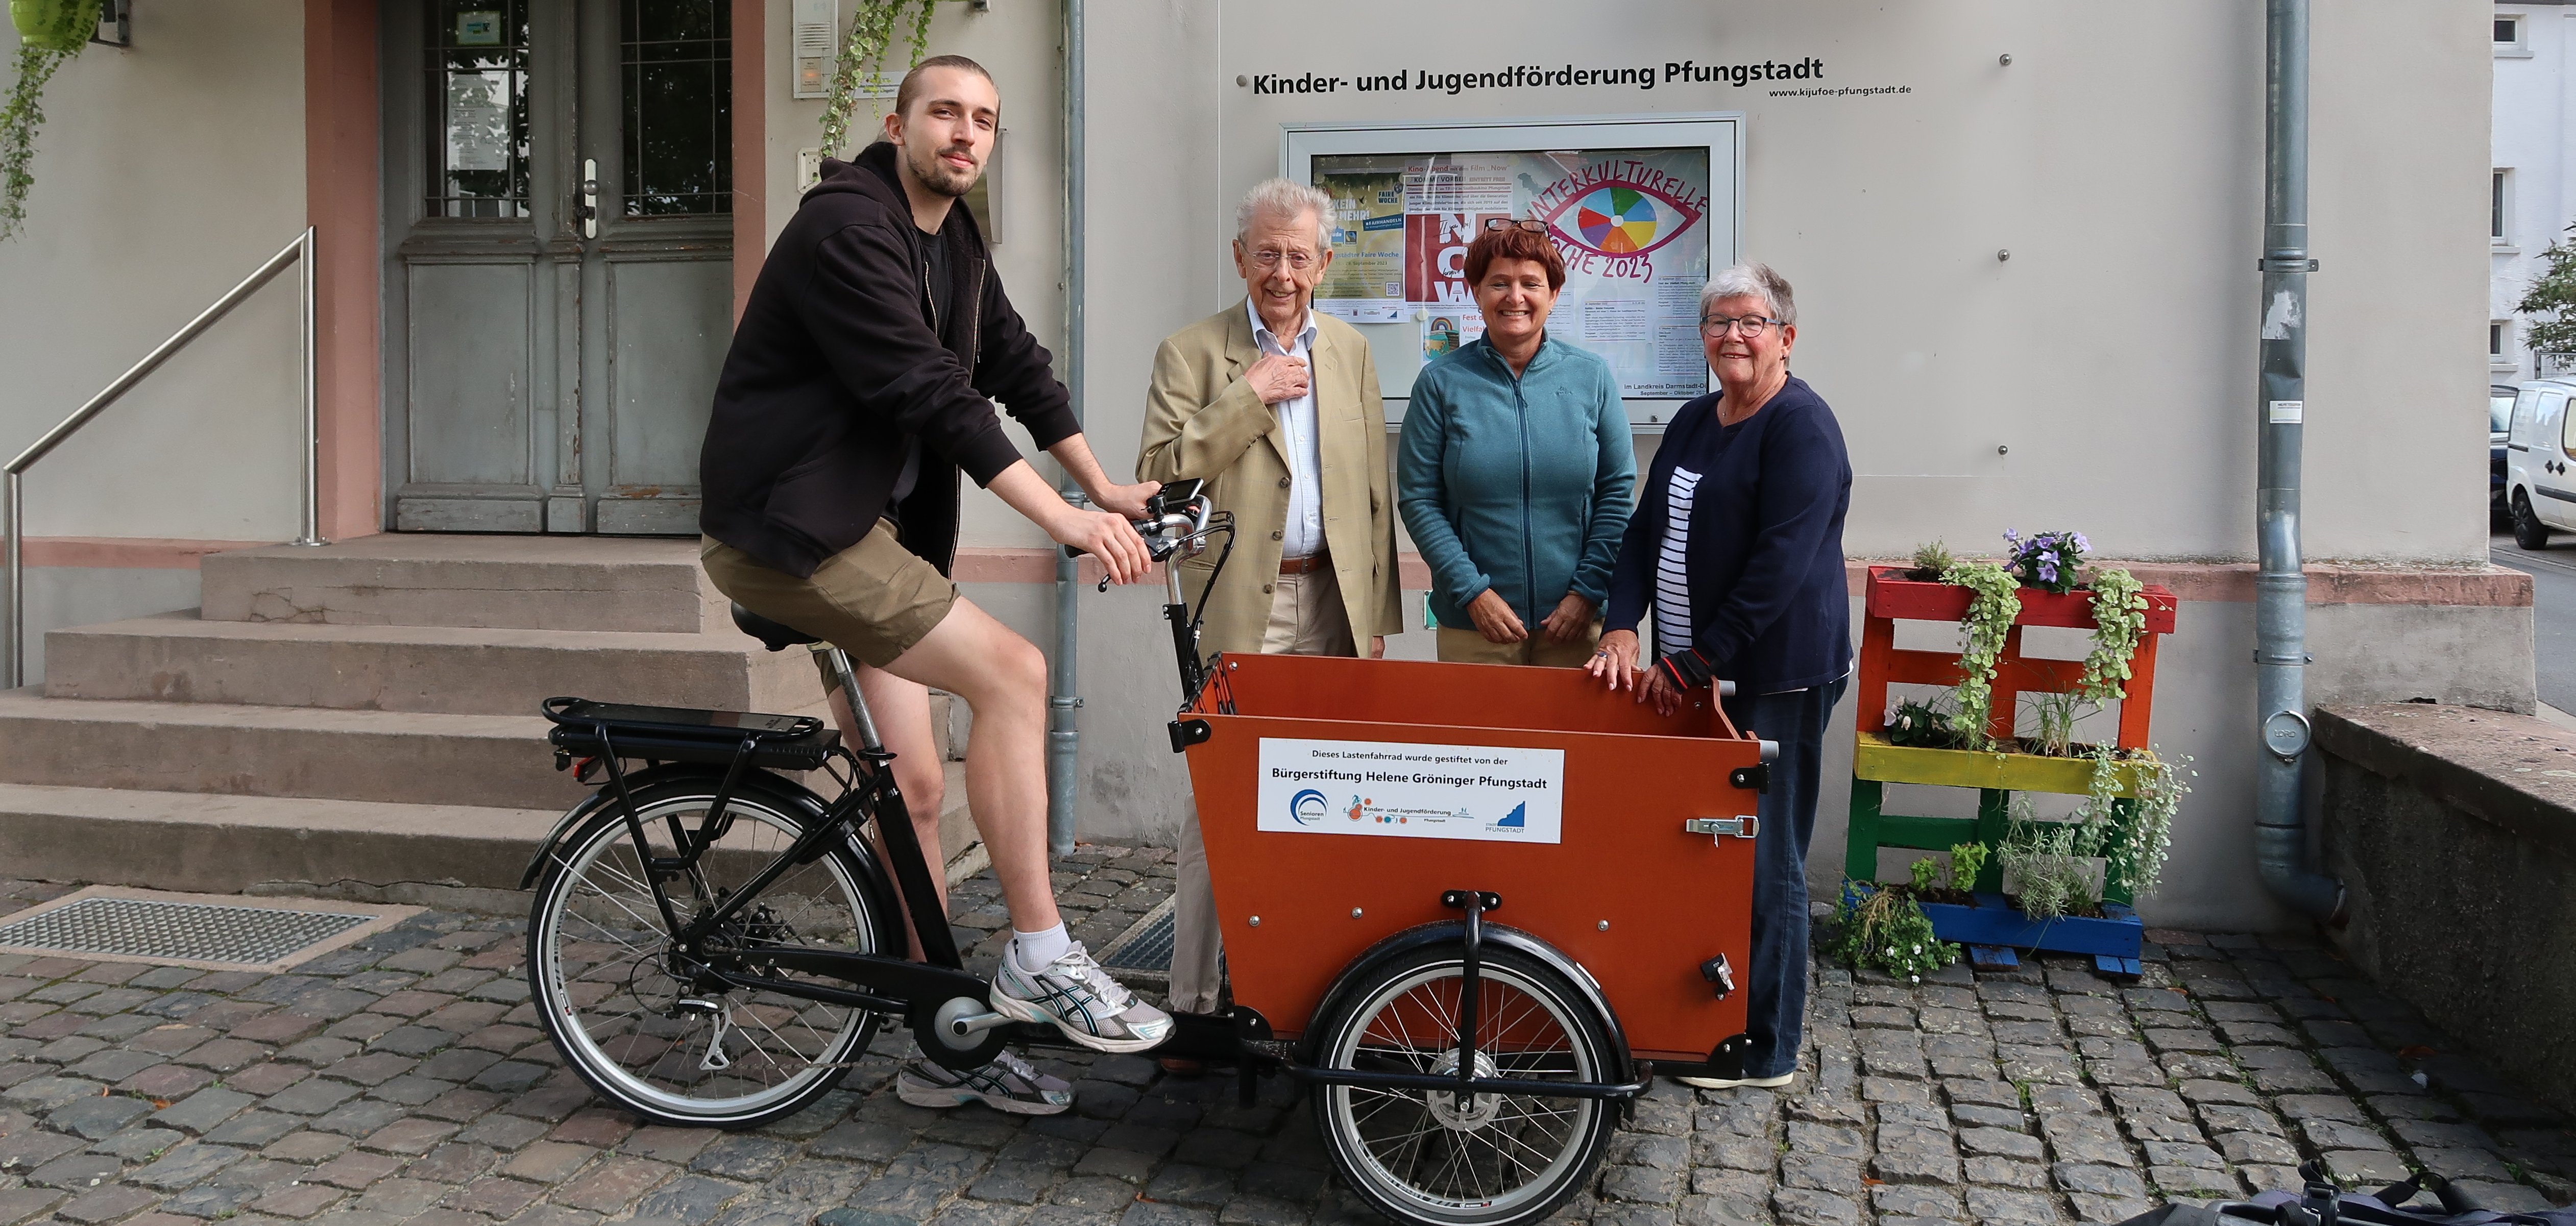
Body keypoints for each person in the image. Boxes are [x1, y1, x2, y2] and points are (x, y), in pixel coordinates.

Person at [697, 55, 1171, 1114]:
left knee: (913, 788)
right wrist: (1065, 524)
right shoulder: (846, 228)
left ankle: (942, 1039)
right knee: (1014, 674)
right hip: (794, 533)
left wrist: (1105, 484)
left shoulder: (952, 236)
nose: (966, 134)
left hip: (867, 536)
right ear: (898, 121)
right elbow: (927, 392)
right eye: (947, 113)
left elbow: (1010, 358)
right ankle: (1041, 952)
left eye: (985, 121)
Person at [1136, 178, 1403, 1065]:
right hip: (1240, 602)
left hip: (1334, 601)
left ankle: (1302, 987)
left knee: (1332, 796)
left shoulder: (1353, 351)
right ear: (1239, 257)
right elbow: (1160, 476)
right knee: (1219, 799)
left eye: (1298, 256)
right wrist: (1248, 393)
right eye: (1266, 253)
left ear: (1325, 263)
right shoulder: (1191, 352)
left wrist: (1375, 622)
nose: (1281, 273)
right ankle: (1193, 1002)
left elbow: (1373, 494)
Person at [1587, 262, 1852, 1091]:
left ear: (1786, 336)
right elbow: (1642, 533)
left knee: (1766, 856)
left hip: (1774, 675)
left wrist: (1693, 660)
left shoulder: (1803, 427)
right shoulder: (1700, 420)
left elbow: (1777, 571)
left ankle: (1766, 1047)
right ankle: (1704, 1016)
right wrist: (1623, 625)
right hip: (1698, 672)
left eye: (1751, 321)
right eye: (1718, 322)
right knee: (1708, 850)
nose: (1733, 335)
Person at [1399, 218, 1634, 666]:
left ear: (1554, 294)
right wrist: (1472, 593)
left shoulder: (1591, 377)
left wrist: (1587, 592)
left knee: (1576, 739)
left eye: (1531, 283)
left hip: (1575, 627)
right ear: (1476, 292)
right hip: (1476, 627)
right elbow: (1419, 500)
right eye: (1499, 283)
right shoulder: (1441, 383)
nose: (1515, 297)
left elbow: (1616, 492)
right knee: (1477, 739)